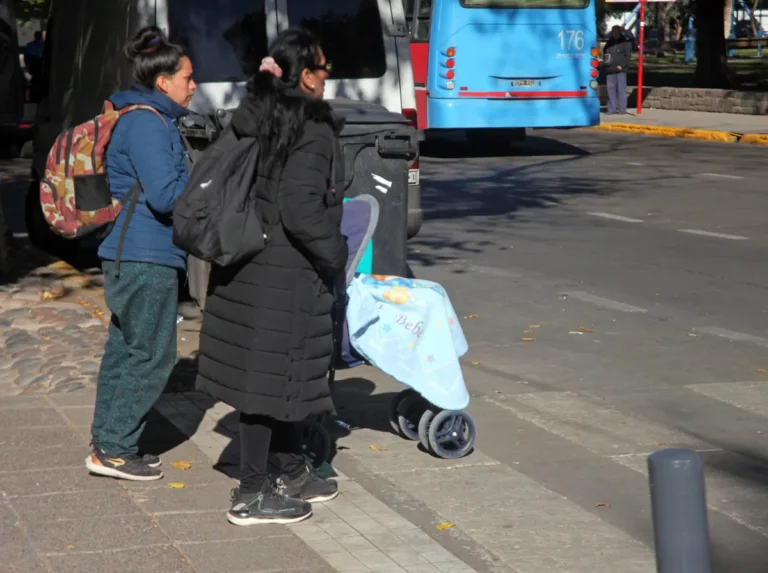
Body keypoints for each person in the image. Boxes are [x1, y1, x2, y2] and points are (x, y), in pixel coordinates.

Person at [196, 28, 348, 526]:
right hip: (284, 272)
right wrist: (336, 253)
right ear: (305, 76)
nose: (328, 78)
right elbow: (301, 208)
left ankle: (288, 469)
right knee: (266, 384)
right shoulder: (312, 127)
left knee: (282, 376)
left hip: (246, 262)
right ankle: (252, 494)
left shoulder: (258, 114)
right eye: (323, 69)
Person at [86, 26, 196, 481]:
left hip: (129, 253)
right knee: (152, 356)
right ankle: (114, 449)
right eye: (188, 77)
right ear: (163, 81)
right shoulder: (148, 123)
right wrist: (204, 180)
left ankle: (107, 440)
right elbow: (166, 196)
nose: (194, 85)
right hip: (145, 256)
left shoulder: (144, 117)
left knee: (125, 351)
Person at [603, 25, 632, 115]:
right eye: (613, 31)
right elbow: (605, 52)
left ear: (620, 32)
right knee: (610, 89)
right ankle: (611, 109)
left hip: (620, 70)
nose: (615, 33)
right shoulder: (609, 43)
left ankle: (622, 109)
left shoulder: (625, 43)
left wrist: (622, 65)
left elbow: (627, 56)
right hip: (610, 69)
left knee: (621, 90)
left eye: (616, 31)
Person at [23, 31, 44, 102]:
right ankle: (33, 97)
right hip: (33, 67)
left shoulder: (44, 46)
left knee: (40, 82)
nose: (38, 37)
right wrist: (28, 67)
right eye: (37, 35)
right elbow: (26, 58)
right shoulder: (29, 46)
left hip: (42, 67)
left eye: (39, 36)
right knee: (34, 82)